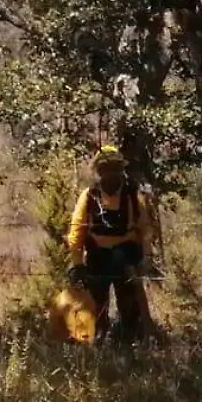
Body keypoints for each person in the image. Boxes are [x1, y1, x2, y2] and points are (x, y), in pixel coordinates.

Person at [65, 145, 156, 343]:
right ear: (98, 171)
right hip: (98, 257)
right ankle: (99, 343)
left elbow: (145, 229)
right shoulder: (88, 197)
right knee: (97, 306)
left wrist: (145, 258)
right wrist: (77, 263)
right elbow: (76, 232)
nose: (110, 173)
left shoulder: (133, 195)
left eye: (115, 168)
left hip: (127, 258)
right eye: (106, 169)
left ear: (121, 169)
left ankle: (131, 343)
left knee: (130, 306)